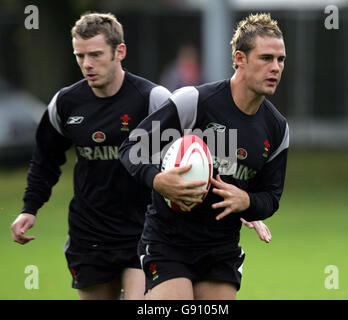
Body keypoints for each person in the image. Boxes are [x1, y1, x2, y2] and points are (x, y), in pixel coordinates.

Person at [119, 13, 289, 300]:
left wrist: (247, 202)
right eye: (266, 58)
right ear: (240, 59)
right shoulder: (194, 102)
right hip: (169, 241)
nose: (275, 67)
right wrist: (158, 180)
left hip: (220, 250)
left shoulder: (277, 128)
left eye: (281, 59)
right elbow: (131, 149)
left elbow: (271, 196)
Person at [10, 12, 172, 300]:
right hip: (89, 235)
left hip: (145, 230)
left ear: (119, 52)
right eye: (80, 55)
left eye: (95, 54)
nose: (87, 64)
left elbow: (188, 155)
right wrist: (29, 208)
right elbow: (45, 160)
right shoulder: (65, 103)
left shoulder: (153, 99)